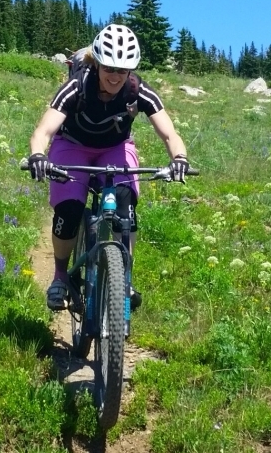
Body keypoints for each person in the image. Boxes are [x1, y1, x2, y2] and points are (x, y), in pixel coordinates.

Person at [27, 23, 189, 311]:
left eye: (122, 71)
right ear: (98, 64)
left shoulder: (138, 90)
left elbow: (169, 134)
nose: (115, 76)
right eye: (109, 69)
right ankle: (60, 277)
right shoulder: (76, 87)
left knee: (126, 210)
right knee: (69, 210)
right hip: (72, 146)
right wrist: (38, 155)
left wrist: (179, 159)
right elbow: (43, 130)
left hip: (114, 148)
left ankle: (122, 279)